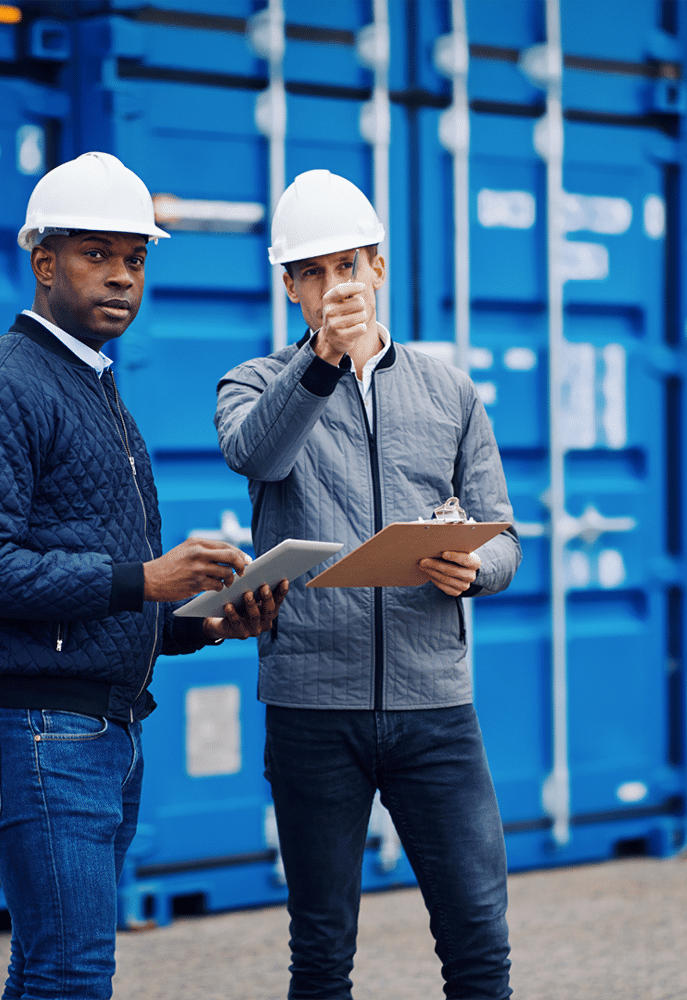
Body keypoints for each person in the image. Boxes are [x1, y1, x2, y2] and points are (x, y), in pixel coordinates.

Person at [0, 151, 287, 1000]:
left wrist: (204, 621)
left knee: (55, 970)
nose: (122, 277)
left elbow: (108, 587)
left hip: (99, 727)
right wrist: (146, 580)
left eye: (137, 258)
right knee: (70, 975)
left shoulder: (88, 384)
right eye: (97, 254)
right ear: (44, 261)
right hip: (38, 728)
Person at [215, 168, 521, 1000]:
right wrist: (318, 365)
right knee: (320, 952)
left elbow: (504, 532)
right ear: (288, 287)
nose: (331, 288)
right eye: (310, 273)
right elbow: (259, 456)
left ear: (378, 268)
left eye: (346, 266)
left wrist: (475, 566)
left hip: (437, 712)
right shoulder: (250, 385)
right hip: (313, 708)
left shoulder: (448, 389)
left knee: (478, 943)